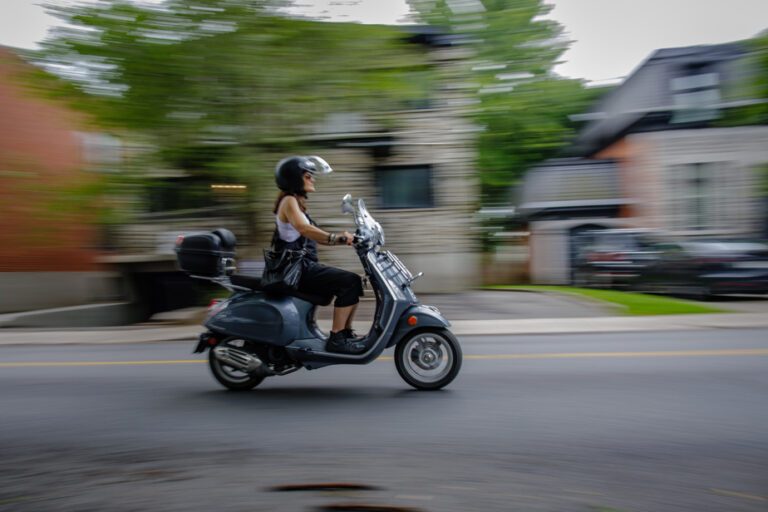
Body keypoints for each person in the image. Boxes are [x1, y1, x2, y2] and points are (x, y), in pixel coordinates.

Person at [272, 155, 365, 354]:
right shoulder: (288, 201)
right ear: (294, 179)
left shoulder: (295, 203)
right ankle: (337, 338)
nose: (312, 179)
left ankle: (346, 333)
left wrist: (349, 239)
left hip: (302, 267)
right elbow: (304, 229)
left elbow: (319, 238)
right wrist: (337, 238)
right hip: (295, 269)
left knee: (354, 282)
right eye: (308, 176)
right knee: (348, 281)